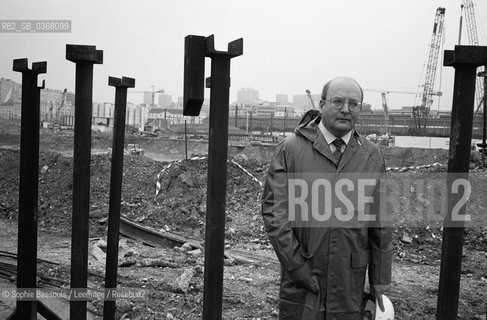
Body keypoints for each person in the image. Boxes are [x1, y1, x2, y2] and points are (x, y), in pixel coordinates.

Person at [261, 77, 392, 319]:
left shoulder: (372, 156)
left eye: (354, 104)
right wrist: (297, 266)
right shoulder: (290, 150)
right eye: (338, 101)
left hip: (349, 281)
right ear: (322, 104)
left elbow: (380, 223)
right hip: (305, 277)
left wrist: (380, 280)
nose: (346, 109)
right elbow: (275, 213)